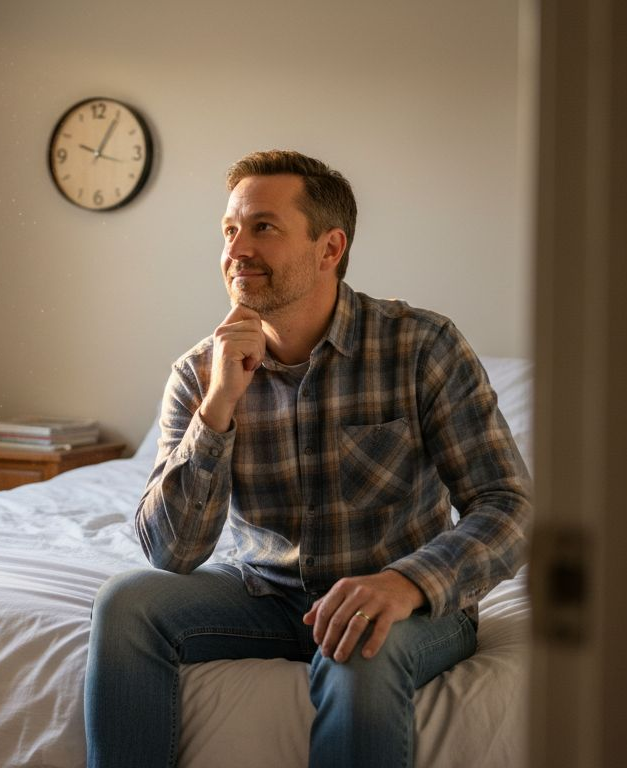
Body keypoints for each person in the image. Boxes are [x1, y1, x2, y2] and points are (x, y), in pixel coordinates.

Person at [84, 150, 532, 768]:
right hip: (263, 594)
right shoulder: (199, 374)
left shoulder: (420, 346)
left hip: (400, 597)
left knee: (359, 652)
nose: (237, 248)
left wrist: (406, 584)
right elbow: (173, 552)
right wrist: (219, 406)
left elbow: (508, 505)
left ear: (330, 248)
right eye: (229, 230)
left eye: (263, 227)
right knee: (125, 606)